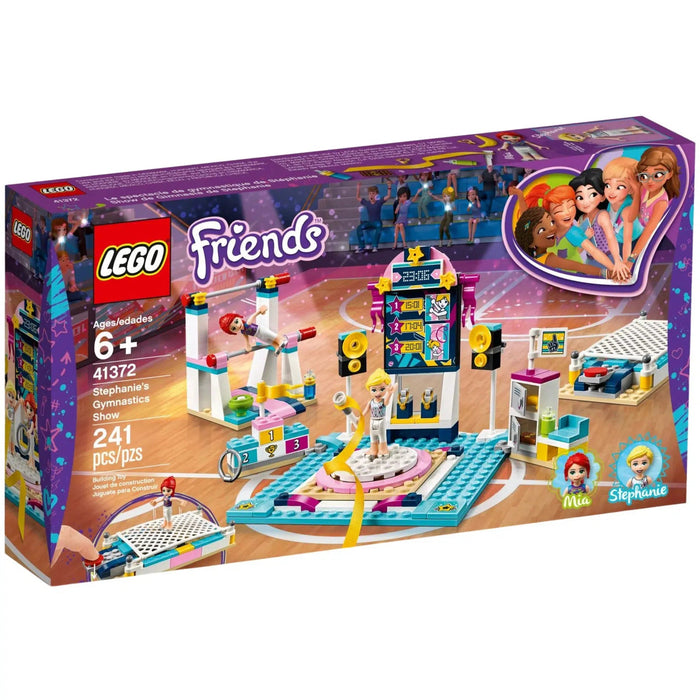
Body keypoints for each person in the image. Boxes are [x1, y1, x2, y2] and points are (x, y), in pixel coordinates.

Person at [626, 146, 681, 270]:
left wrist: (631, 259)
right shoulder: (643, 188)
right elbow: (633, 214)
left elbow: (648, 232)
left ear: (669, 174)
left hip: (656, 244)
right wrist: (636, 189)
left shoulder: (661, 203)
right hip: (639, 234)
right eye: (644, 175)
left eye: (658, 174)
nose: (650, 181)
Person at [570, 168, 629, 280]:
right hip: (590, 261)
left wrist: (617, 260)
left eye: (592, 194)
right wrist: (585, 237)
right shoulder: (581, 219)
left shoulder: (602, 215)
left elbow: (611, 238)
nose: (585, 202)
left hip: (608, 258)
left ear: (602, 197)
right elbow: (579, 249)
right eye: (580, 197)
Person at [219, 304, 287, 354]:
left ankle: (281, 340)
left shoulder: (247, 323)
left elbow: (253, 316)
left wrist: (259, 311)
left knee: (271, 336)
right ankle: (276, 347)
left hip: (260, 330)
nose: (237, 326)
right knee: (268, 341)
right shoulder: (243, 331)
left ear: (238, 317)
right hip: (258, 335)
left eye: (236, 322)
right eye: (233, 328)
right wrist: (247, 344)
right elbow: (246, 337)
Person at [361, 369, 397, 461]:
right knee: (373, 436)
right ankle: (373, 450)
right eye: (374, 390)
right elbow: (365, 411)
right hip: (372, 420)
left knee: (381, 435)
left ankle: (383, 450)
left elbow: (386, 402)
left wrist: (389, 393)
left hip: (381, 420)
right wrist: (360, 418)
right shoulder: (371, 402)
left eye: (382, 389)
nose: (378, 393)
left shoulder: (383, 401)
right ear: (369, 389)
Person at [355, 181, 391, 253]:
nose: (371, 195)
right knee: (359, 228)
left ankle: (375, 246)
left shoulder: (379, 202)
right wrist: (358, 188)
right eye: (370, 193)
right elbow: (357, 197)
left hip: (377, 222)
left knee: (379, 226)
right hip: (370, 222)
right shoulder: (367, 202)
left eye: (373, 193)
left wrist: (389, 186)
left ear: (376, 194)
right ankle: (361, 247)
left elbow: (388, 196)